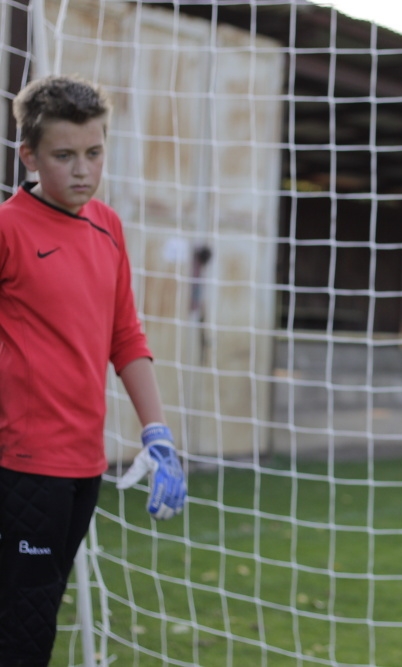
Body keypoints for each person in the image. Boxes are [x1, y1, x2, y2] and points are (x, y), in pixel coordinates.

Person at [0, 74, 187, 667]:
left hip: (85, 465)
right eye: (63, 156)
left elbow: (124, 335)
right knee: (21, 633)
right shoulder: (7, 229)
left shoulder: (108, 226)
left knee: (39, 616)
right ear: (28, 154)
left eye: (94, 152)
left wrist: (157, 434)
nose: (82, 169)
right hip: (19, 464)